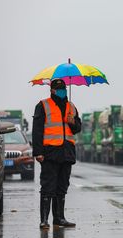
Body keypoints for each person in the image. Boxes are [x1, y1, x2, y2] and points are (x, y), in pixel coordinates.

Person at [32, 78, 81, 229]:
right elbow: (37, 130)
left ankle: (59, 218)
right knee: (48, 187)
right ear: (52, 90)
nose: (62, 91)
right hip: (50, 154)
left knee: (62, 187)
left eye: (64, 88)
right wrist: (38, 152)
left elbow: (77, 128)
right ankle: (44, 220)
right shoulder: (43, 105)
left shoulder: (71, 106)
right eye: (59, 89)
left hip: (67, 153)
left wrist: (73, 122)